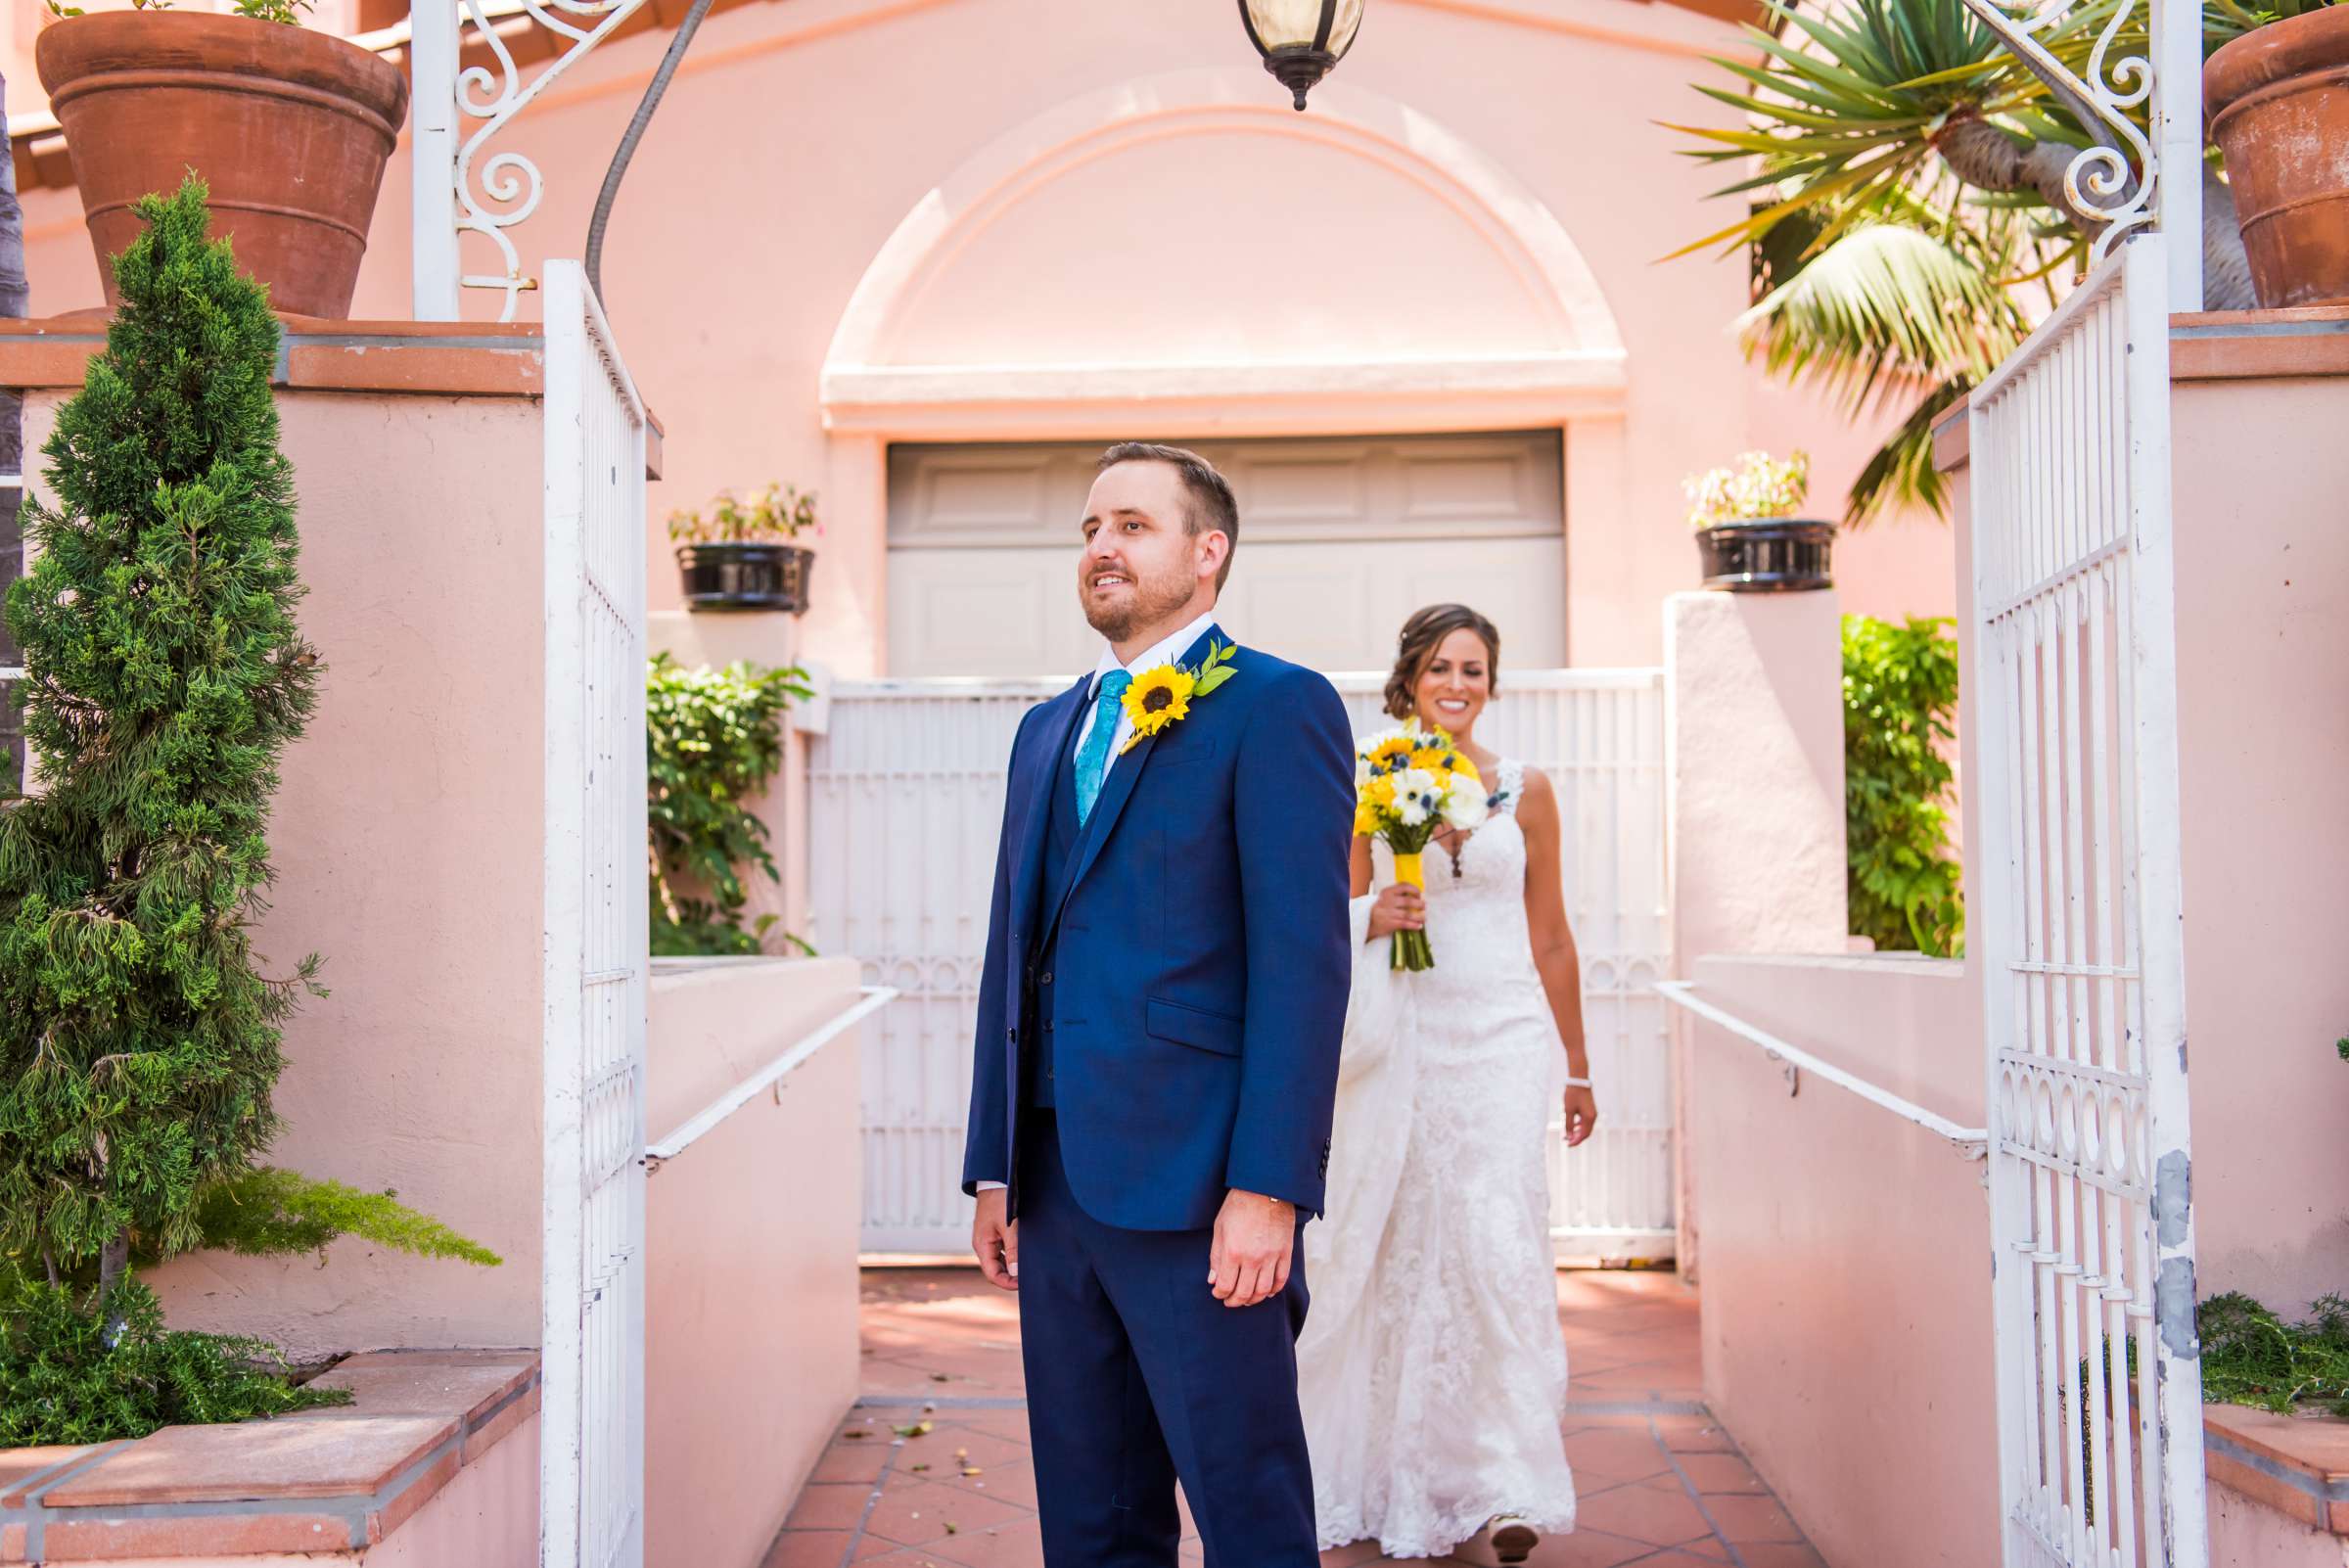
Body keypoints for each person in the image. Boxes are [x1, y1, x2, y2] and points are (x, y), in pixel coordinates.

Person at [959, 441, 1355, 1567]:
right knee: (1092, 1517)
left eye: (1132, 526)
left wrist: (1269, 1187)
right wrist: (995, 1163)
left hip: (1198, 1193)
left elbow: (1303, 965)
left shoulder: (1277, 706)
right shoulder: (1048, 730)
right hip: (1056, 1180)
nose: (1102, 549)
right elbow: (1011, 951)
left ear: (1208, 550)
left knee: (1247, 1508)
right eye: (1089, 530)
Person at [1299, 602, 1598, 1564]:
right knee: (1409, 1239)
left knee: (1496, 1237)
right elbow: (1333, 912)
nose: (1457, 685)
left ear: (1492, 681)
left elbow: (1550, 936)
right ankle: (1403, 1476)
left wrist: (1579, 1066)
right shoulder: (1372, 781)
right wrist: (1373, 914)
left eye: (1472, 669)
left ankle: (1507, 1482)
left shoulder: (1528, 791)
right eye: (1440, 669)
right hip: (1412, 1032)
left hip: (1504, 1035)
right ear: (1412, 680)